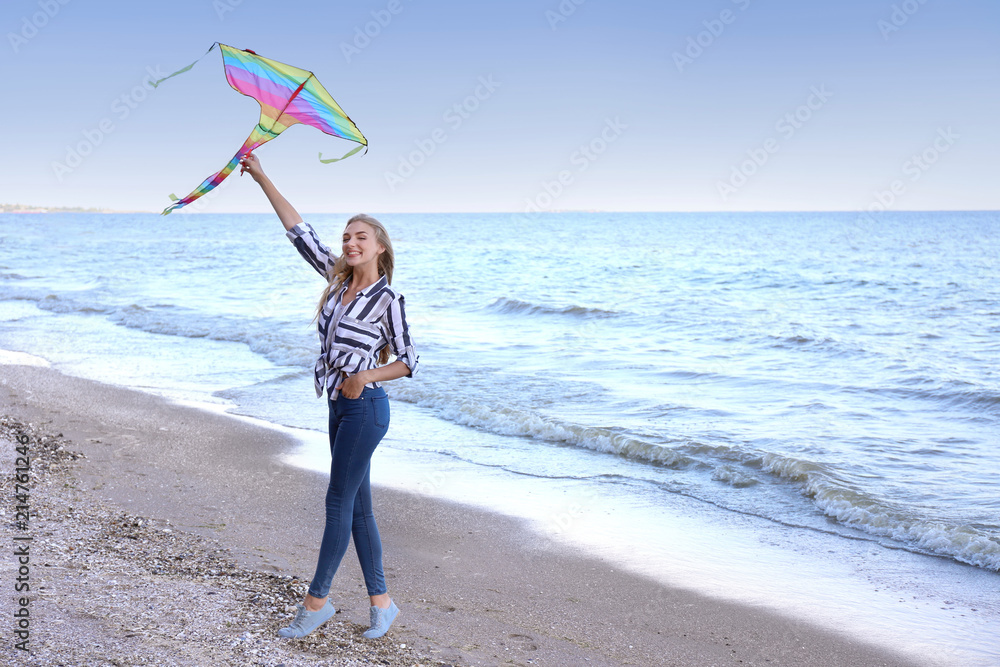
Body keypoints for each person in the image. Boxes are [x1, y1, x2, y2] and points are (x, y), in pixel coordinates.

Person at [240, 153, 418, 640]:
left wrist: (364, 377)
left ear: (380, 247)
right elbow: (300, 232)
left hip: (366, 407)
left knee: (337, 502)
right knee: (358, 507)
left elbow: (409, 361)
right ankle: (382, 604)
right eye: (346, 236)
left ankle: (316, 602)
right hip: (339, 406)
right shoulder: (337, 281)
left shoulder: (389, 301)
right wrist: (261, 176)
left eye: (361, 236)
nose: (350, 242)